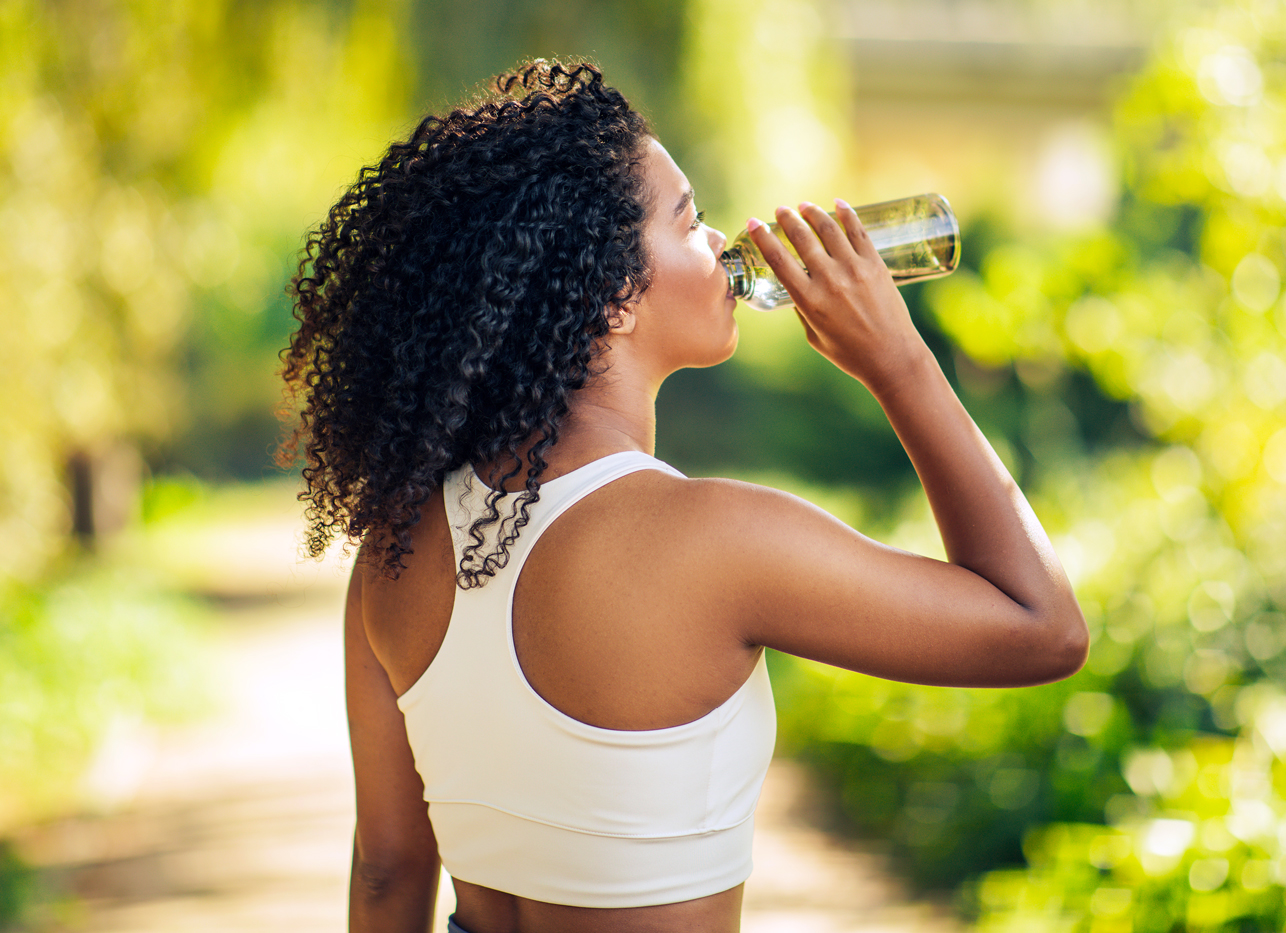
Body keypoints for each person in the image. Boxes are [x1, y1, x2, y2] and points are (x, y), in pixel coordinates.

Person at [281, 59, 1088, 933]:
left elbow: (387, 873)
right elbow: (1042, 628)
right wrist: (899, 362)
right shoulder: (713, 537)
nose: (721, 241)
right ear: (612, 296)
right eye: (690, 217)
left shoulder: (397, 545)